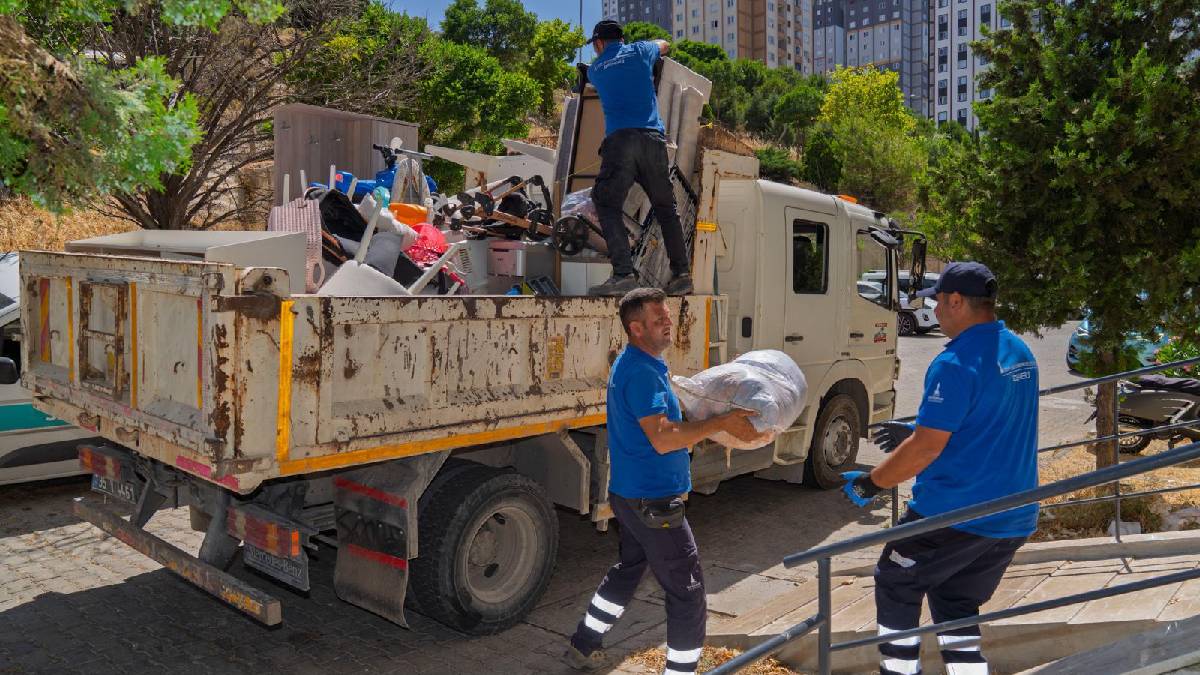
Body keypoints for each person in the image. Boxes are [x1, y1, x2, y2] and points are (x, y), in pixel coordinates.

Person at [840, 262, 1039, 675]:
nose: (936, 312)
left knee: (895, 578)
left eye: (938, 303)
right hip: (1014, 514)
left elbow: (927, 449)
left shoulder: (955, 362)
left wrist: (872, 482)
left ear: (956, 301)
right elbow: (990, 418)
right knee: (954, 600)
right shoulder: (1018, 350)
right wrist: (915, 430)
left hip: (956, 513)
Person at [564, 287, 761, 674]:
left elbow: (665, 423)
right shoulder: (640, 372)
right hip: (653, 502)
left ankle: (584, 643)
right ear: (636, 328)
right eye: (659, 319)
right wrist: (719, 423)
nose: (669, 323)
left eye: (668, 316)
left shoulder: (644, 364)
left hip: (631, 495)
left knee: (629, 569)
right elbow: (663, 437)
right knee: (688, 595)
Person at [582, 20, 694, 298]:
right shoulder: (641, 50)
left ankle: (623, 274)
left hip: (620, 143)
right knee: (666, 209)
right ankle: (682, 276)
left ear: (598, 44)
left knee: (606, 203)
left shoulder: (596, 70)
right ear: (622, 38)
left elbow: (597, 81)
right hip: (653, 141)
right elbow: (664, 45)